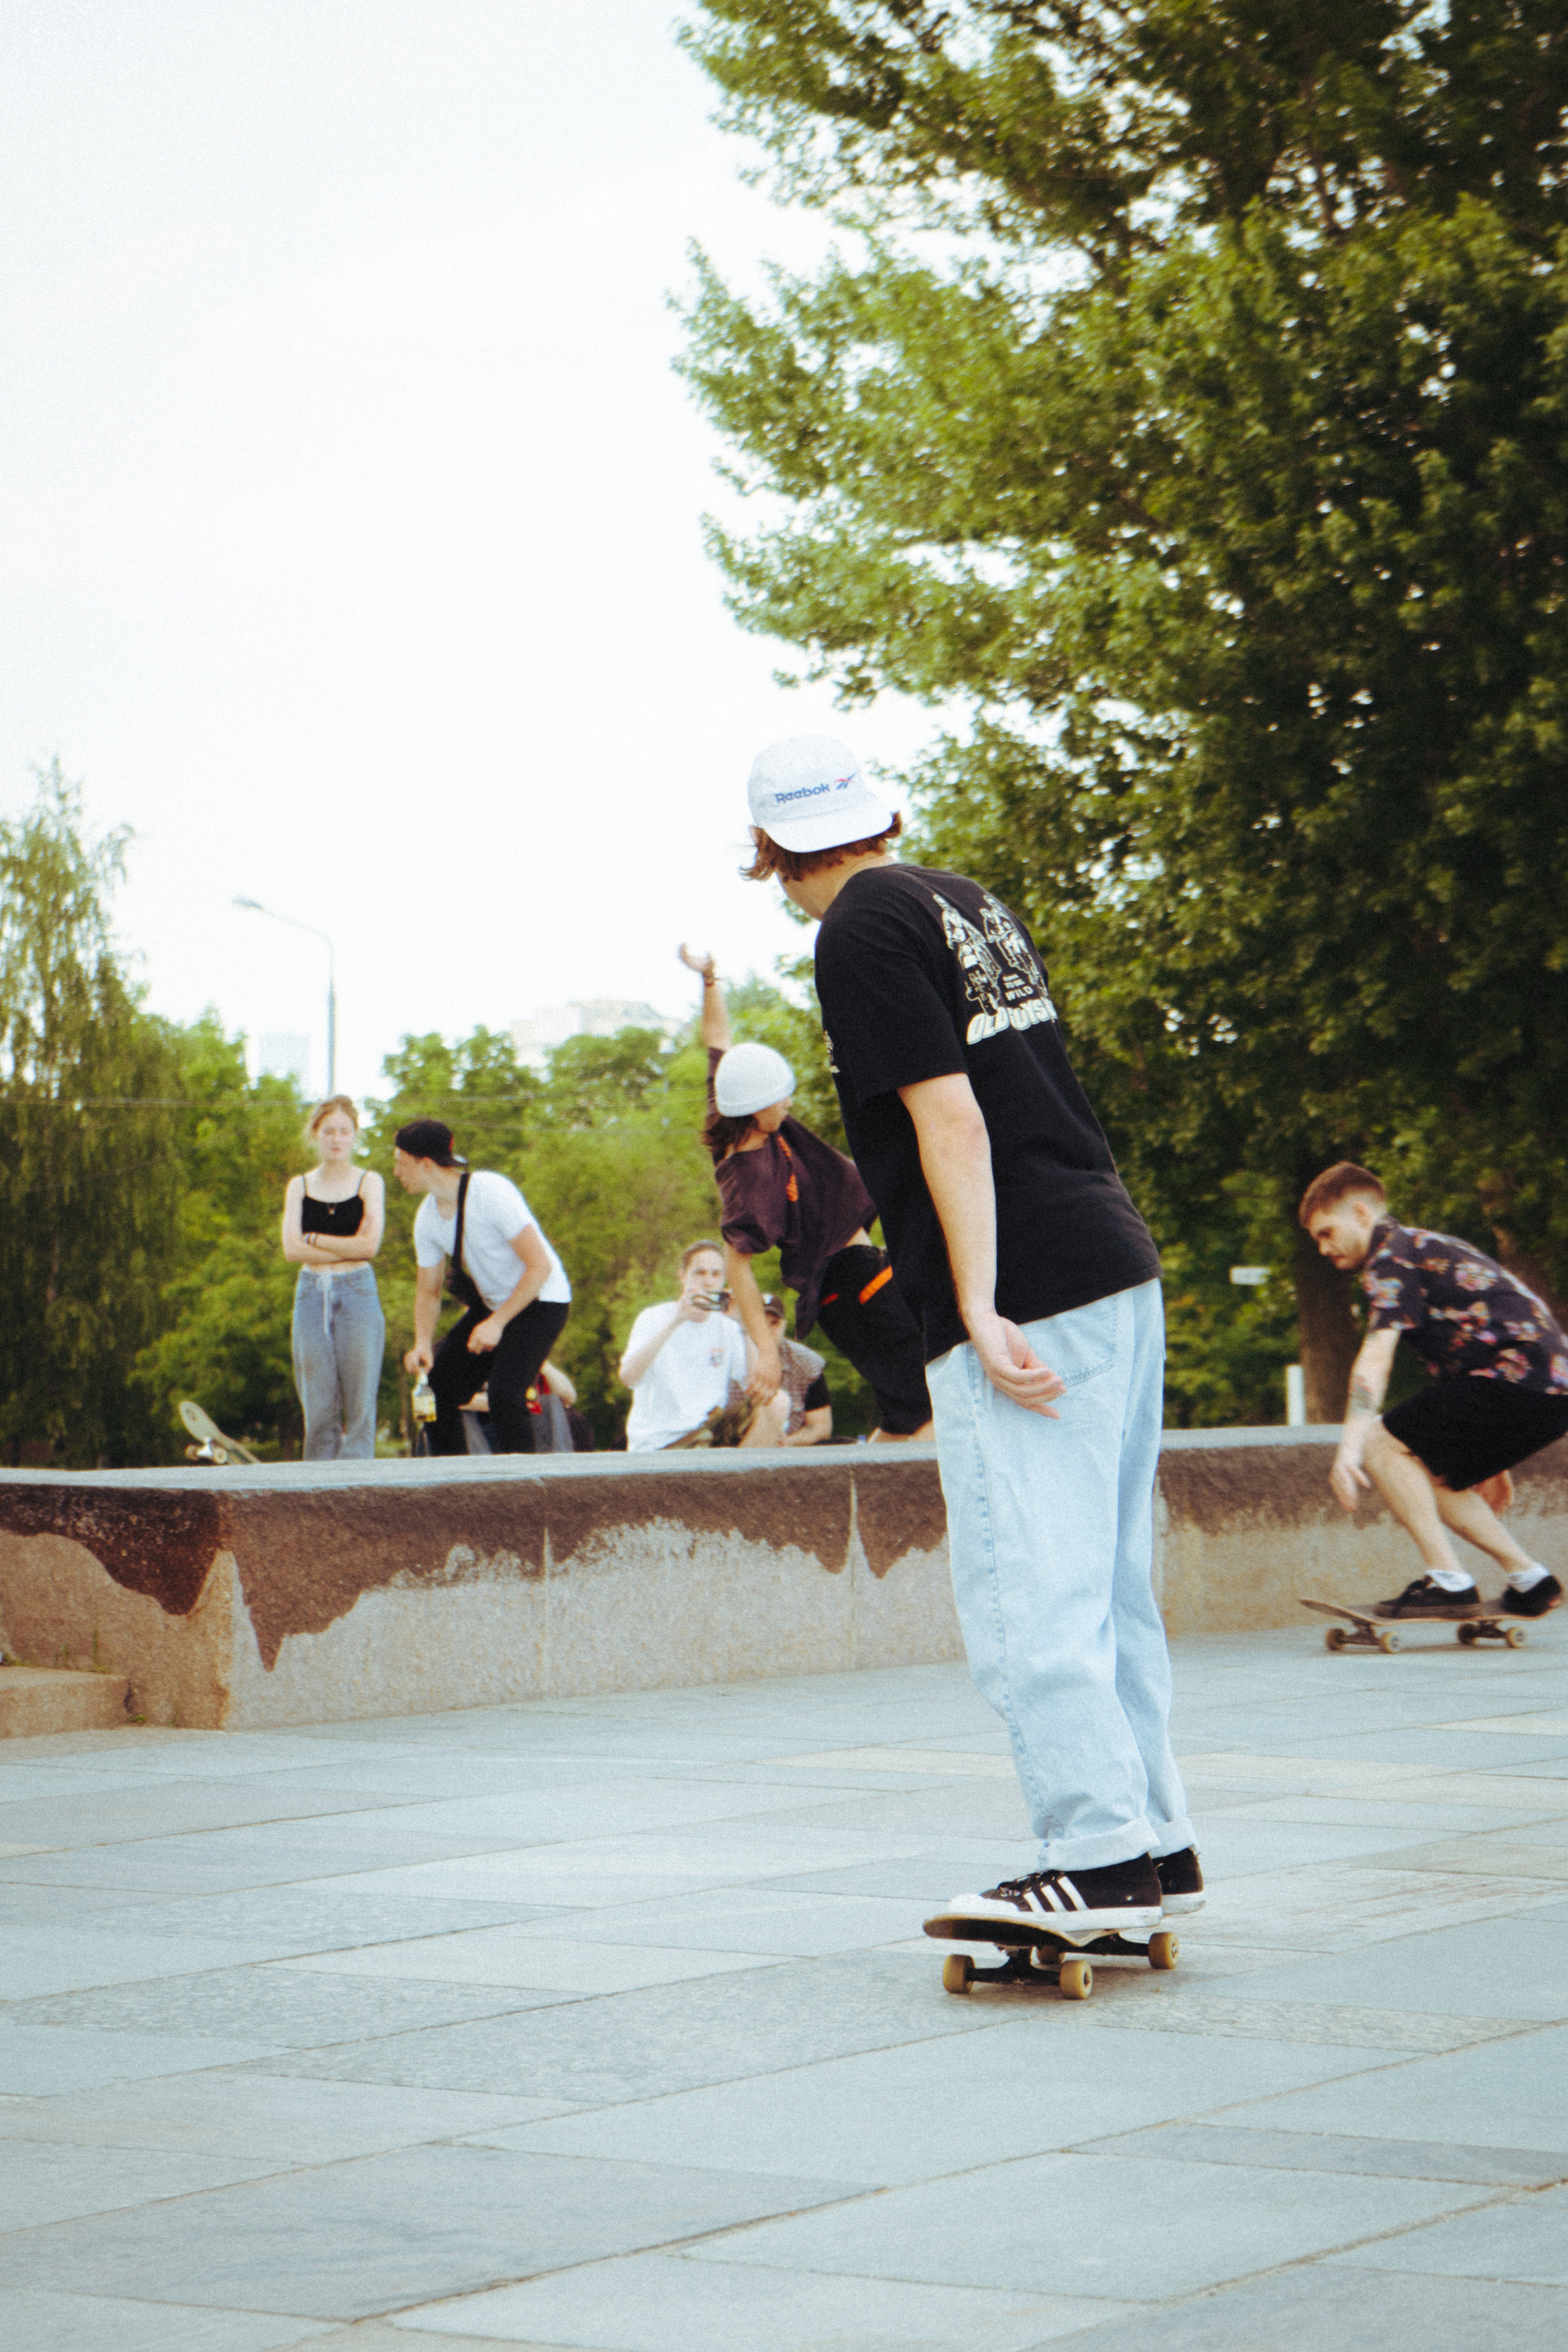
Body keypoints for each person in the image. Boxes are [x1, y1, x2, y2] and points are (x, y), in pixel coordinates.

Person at [743, 732, 1200, 1940]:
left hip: (1030, 1281)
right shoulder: (964, 902)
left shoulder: (855, 929)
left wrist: (979, 1304)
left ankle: (1096, 1855)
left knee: (1024, 1586)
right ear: (874, 814)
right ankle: (1154, 1836)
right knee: (1106, 1583)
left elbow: (947, 1115)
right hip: (1109, 1254)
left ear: (770, 853)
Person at [679, 940, 932, 1442]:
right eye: (780, 1100)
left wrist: (709, 979)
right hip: (852, 1286)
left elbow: (718, 1037)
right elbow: (739, 1266)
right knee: (931, 1404)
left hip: (856, 1283)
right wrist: (768, 1353)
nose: (789, 1104)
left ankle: (862, 1501)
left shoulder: (727, 1101)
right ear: (753, 1108)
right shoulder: (750, 1181)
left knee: (907, 1416)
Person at [1303, 1163, 1568, 1619]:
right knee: (1430, 1471)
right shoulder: (1423, 1248)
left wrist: (1351, 1447)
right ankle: (1530, 1580)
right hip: (1546, 1386)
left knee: (1384, 1443)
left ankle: (1448, 1581)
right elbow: (1471, 1342)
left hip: (1520, 1377)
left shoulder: (1390, 1257)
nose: (1324, 1249)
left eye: (1327, 1233)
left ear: (1362, 1213)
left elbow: (1376, 1354)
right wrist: (1490, 1455)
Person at [394, 1118, 571, 1457]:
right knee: (438, 1391)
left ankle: (522, 1489)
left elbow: (540, 1267)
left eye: (401, 1163)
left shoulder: (490, 1192)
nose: (396, 1171)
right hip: (494, 1306)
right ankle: (458, 1485)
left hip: (542, 1300)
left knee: (506, 1394)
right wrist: (422, 1344)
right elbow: (428, 1290)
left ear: (426, 1164)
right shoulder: (427, 1218)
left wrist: (497, 1323)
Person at [281, 1096, 386, 1460]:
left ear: (355, 1135)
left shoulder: (369, 1183)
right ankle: (318, 1483)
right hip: (312, 1291)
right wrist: (348, 1245)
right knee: (318, 1400)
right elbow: (292, 1250)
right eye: (329, 1131)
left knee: (360, 1398)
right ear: (316, 1135)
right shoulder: (300, 1186)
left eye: (344, 1131)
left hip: (357, 1288)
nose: (337, 1139)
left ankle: (356, 1485)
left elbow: (370, 1248)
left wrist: (315, 1238)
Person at [620, 1241, 786, 1450]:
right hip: (662, 1438)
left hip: (710, 1427)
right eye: (700, 1273)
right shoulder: (653, 1317)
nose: (708, 1282)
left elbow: (754, 1387)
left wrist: (743, 1326)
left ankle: (742, 1476)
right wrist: (676, 1320)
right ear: (683, 1276)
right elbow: (628, 1377)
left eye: (716, 1275)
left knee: (778, 1403)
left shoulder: (728, 1326)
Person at [759, 1292, 833, 1445]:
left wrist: (790, 1442)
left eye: (774, 1323)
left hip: (790, 1449)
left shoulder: (806, 1362)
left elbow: (821, 1425)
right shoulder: (728, 1354)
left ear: (784, 1324)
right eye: (760, 1323)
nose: (767, 1330)